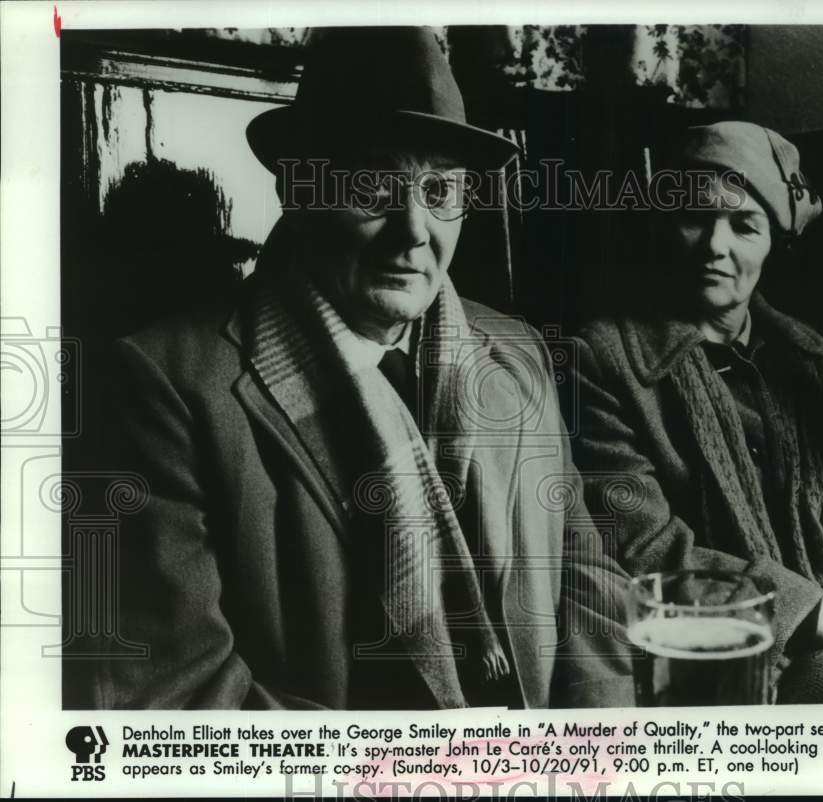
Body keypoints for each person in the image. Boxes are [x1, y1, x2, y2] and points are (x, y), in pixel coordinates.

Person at [95, 27, 633, 710]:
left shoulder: (520, 353)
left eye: (440, 191)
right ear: (300, 192)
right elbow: (180, 693)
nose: (414, 230)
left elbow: (588, 582)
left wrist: (598, 757)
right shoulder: (168, 383)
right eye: (374, 184)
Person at [568, 121, 823, 702]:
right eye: (695, 215)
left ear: (773, 241)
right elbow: (647, 554)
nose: (715, 245)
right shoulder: (603, 360)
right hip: (719, 662)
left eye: (744, 225)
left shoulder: (811, 359)